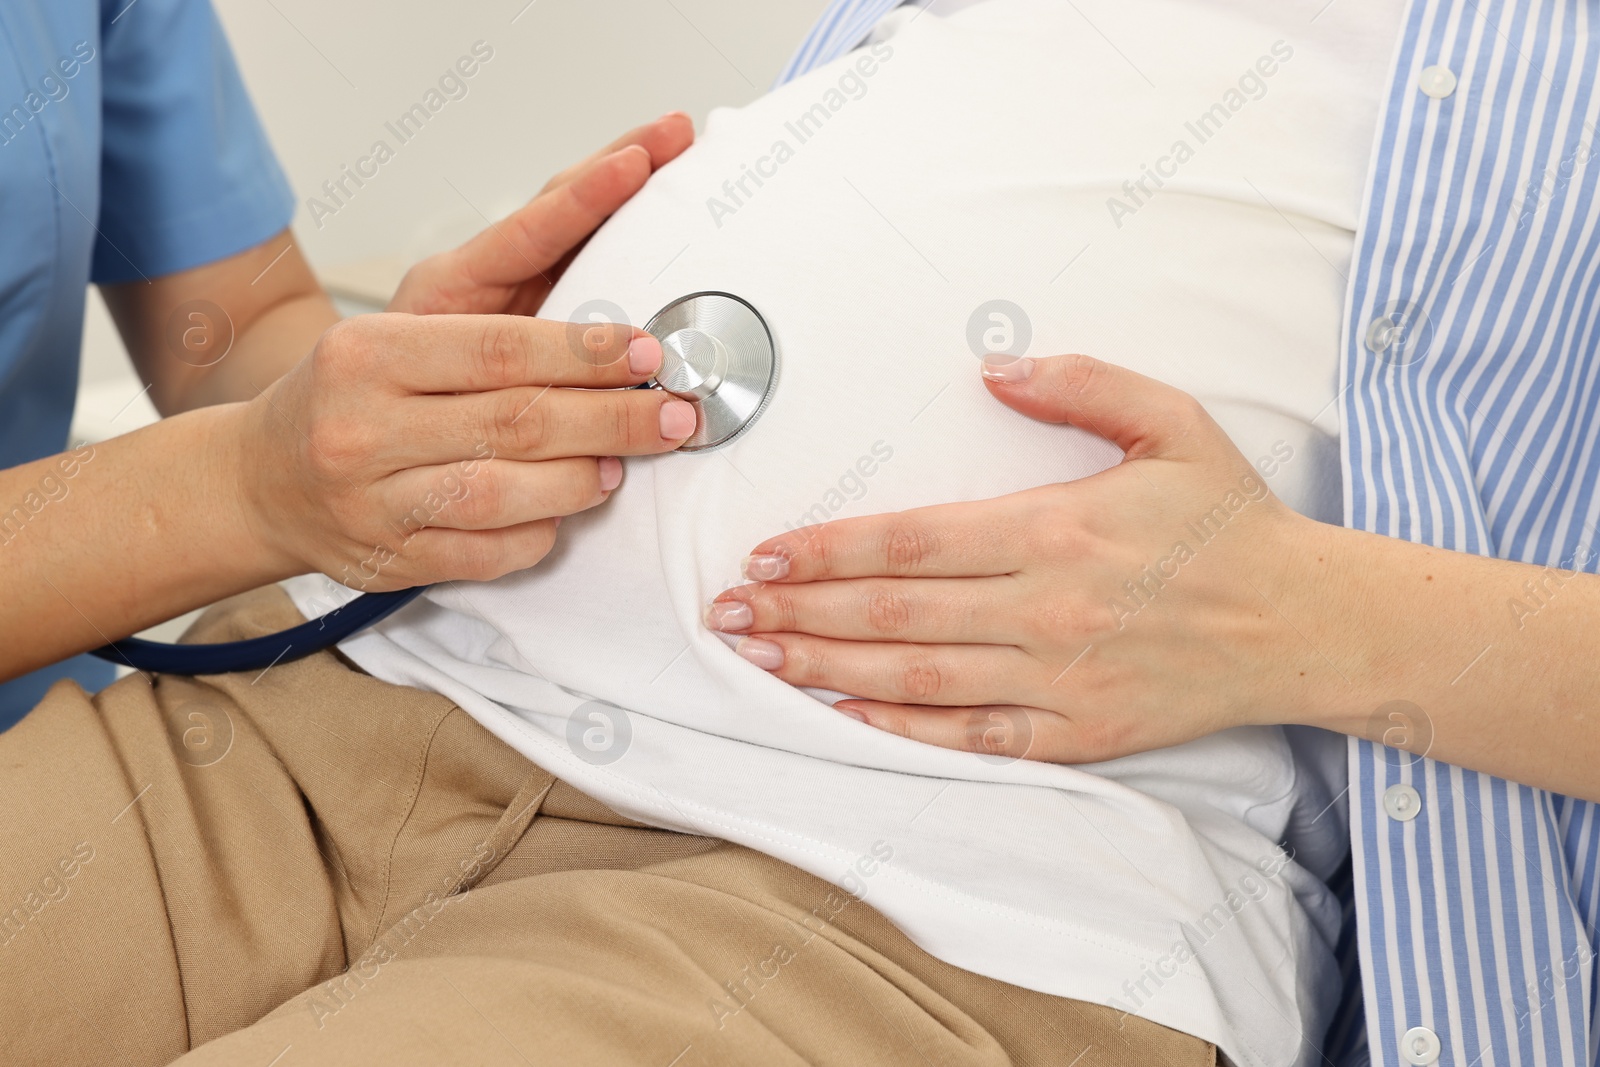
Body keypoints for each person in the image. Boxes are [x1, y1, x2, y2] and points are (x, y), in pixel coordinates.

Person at [0, 0, 701, 726]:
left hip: (64, 702)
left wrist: (407, 388)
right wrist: (247, 487)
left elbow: (231, 325)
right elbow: (253, 473)